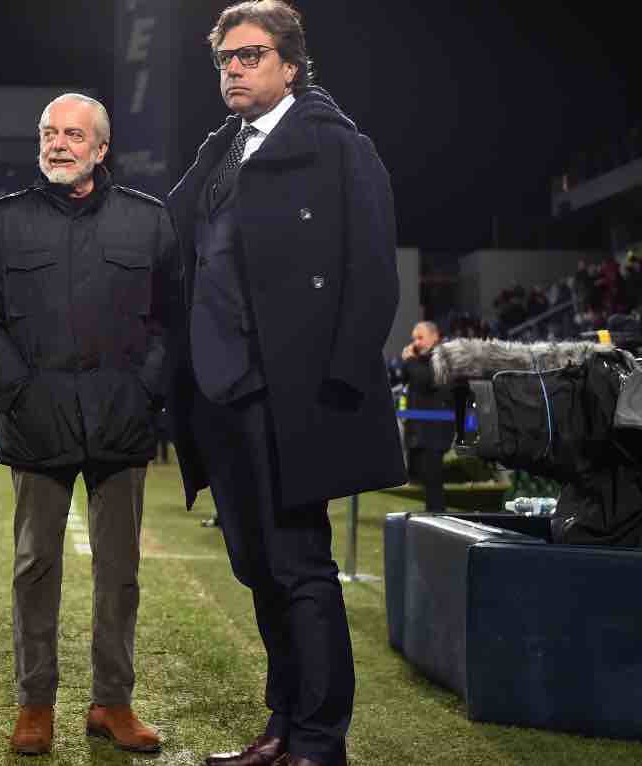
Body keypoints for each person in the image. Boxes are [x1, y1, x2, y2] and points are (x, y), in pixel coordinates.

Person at [164, 3, 407, 765]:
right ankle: (281, 726)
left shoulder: (339, 149)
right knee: (259, 569)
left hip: (290, 397)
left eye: (250, 56)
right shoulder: (219, 153)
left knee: (301, 569)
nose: (233, 69)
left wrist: (335, 387)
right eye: (225, 59)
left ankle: (319, 739)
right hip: (218, 395)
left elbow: (373, 276)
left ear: (291, 65)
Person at [0, 92, 176, 756]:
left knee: (120, 572)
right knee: (34, 568)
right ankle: (36, 705)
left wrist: (142, 396)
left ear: (101, 148)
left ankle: (112, 703)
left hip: (121, 426)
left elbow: (172, 322)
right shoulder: (2, 223)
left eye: (72, 134)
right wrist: (21, 397)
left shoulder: (149, 222)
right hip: (38, 428)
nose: (57, 143)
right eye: (48, 133)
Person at [401, 321, 453, 513]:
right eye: (414, 338)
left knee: (433, 481)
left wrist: (410, 361)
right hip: (420, 429)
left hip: (435, 430)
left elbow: (426, 380)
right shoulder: (420, 360)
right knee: (424, 479)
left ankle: (438, 517)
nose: (416, 343)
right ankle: (432, 515)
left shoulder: (443, 357)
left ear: (434, 336)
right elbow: (406, 377)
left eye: (420, 338)